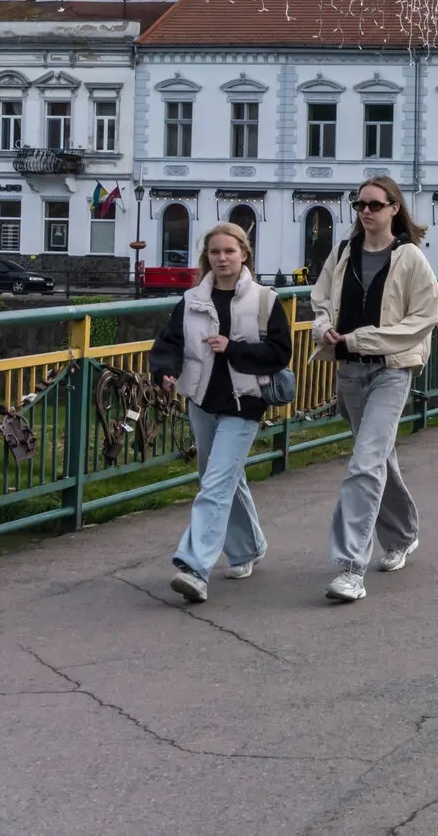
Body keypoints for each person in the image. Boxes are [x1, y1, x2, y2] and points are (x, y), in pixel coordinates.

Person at [310, 175, 438, 604]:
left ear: (393, 209)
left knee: (364, 464)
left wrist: (363, 339)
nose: (365, 212)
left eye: (374, 205)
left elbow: (423, 318)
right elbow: (321, 301)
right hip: (348, 371)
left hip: (391, 370)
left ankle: (350, 569)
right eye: (359, 204)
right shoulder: (343, 253)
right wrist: (325, 328)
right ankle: (402, 535)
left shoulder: (410, 259)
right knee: (379, 457)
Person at [151, 222, 290, 605]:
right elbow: (170, 342)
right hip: (202, 401)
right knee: (222, 478)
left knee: (215, 484)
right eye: (215, 252)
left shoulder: (265, 300)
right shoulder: (193, 299)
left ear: (244, 254)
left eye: (229, 251)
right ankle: (248, 548)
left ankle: (195, 566)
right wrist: (165, 369)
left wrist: (233, 349)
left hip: (244, 404)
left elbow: (280, 353)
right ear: (206, 257)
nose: (222, 258)